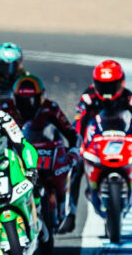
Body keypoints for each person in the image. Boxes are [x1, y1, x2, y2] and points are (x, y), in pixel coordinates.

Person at [12, 74, 82, 233]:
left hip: (47, 154)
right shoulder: (6, 110)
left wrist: (74, 151)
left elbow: (71, 134)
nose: (27, 106)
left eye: (32, 100)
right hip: (20, 156)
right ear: (15, 99)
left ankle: (71, 211)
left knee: (78, 165)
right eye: (22, 101)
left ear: (41, 97)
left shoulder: (51, 108)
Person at [74, 59, 132, 152]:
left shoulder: (129, 98)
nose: (107, 92)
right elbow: (79, 120)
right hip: (95, 134)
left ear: (121, 83)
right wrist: (79, 144)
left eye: (111, 86)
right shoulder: (88, 97)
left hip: (121, 132)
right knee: (75, 128)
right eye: (102, 87)